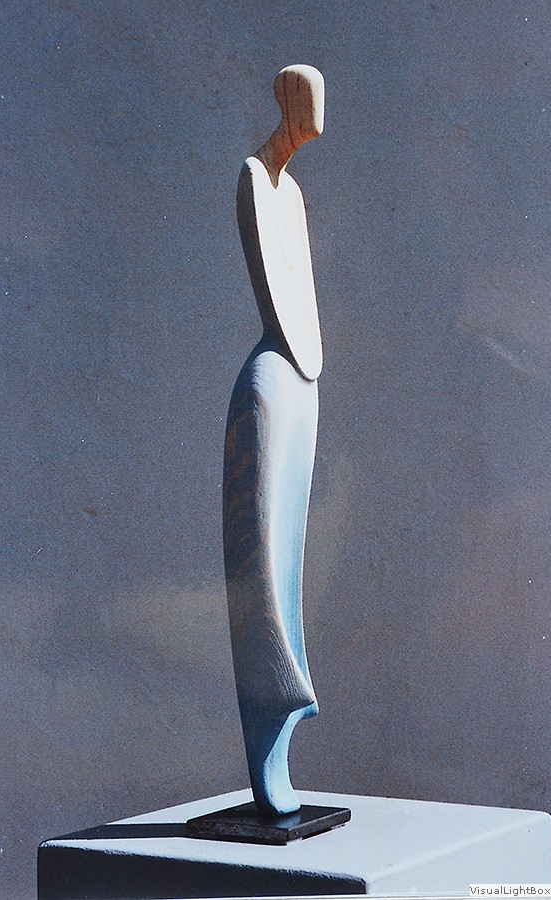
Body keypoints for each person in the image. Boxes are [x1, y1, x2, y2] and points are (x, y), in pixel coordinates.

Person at [223, 65, 325, 816]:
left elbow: (307, 320)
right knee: (260, 571)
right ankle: (269, 729)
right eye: (309, 100)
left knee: (286, 563)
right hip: (271, 385)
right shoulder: (255, 180)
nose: (318, 115)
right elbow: (282, 306)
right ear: (289, 102)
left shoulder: (294, 194)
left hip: (302, 384)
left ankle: (282, 729)